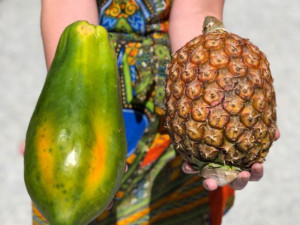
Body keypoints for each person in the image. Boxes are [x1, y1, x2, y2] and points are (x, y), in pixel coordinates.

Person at [33, 0, 280, 224]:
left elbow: (196, 10)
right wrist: (74, 119)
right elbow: (67, 9)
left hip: (172, 128)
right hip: (95, 111)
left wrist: (212, 112)